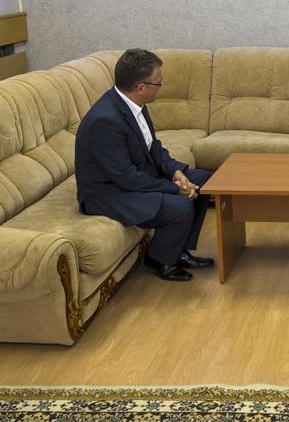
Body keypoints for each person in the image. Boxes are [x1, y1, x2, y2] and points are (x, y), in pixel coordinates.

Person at [76, 49, 215, 282]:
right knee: (179, 206)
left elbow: (154, 148)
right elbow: (125, 177)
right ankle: (160, 259)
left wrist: (176, 172)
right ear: (142, 87)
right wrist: (174, 189)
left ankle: (177, 250)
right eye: (159, 82)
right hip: (108, 193)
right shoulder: (105, 121)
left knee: (203, 180)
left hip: (132, 178)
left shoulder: (134, 104)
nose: (162, 85)